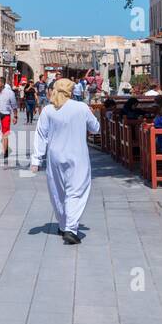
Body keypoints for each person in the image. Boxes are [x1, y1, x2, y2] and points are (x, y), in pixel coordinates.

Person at [30, 78, 100, 244]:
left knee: (58, 191)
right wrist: (92, 113)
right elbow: (96, 128)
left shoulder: (48, 110)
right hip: (77, 156)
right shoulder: (81, 108)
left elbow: (41, 134)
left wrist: (36, 159)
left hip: (55, 156)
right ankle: (70, 228)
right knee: (76, 191)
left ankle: (63, 225)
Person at [0, 76, 19, 163]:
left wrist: (15, 116)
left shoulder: (10, 93)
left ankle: (5, 152)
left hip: (5, 115)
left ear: (2, 83)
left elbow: (14, 106)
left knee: (5, 134)